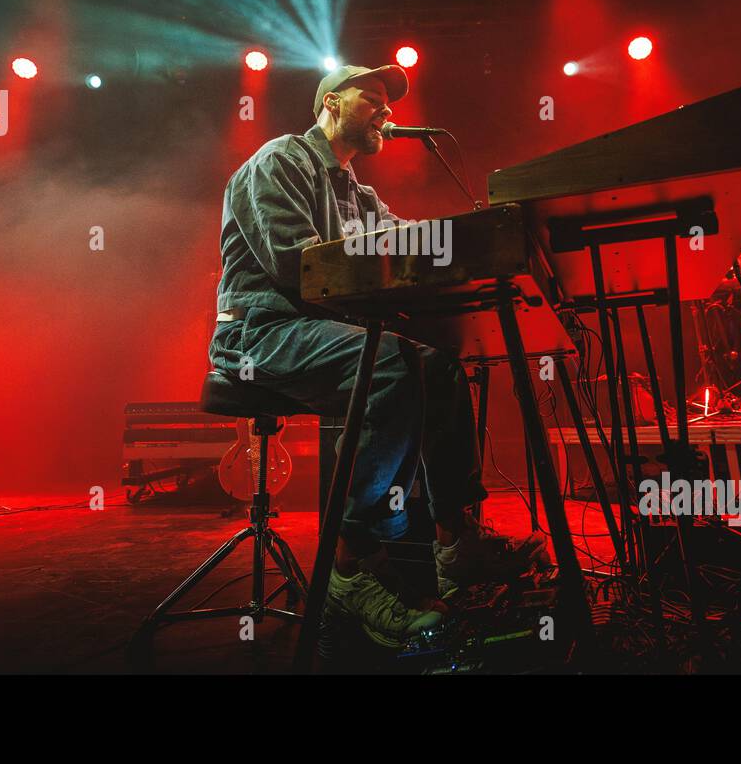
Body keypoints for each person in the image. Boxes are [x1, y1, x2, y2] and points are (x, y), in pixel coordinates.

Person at [209, 63, 546, 647]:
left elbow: (407, 243)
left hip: (318, 328)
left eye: (389, 103)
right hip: (262, 332)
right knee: (393, 364)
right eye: (372, 99)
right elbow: (299, 266)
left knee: (438, 364)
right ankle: (351, 566)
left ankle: (455, 543)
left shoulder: (358, 193)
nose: (387, 111)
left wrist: (477, 237)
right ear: (331, 104)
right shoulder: (280, 161)